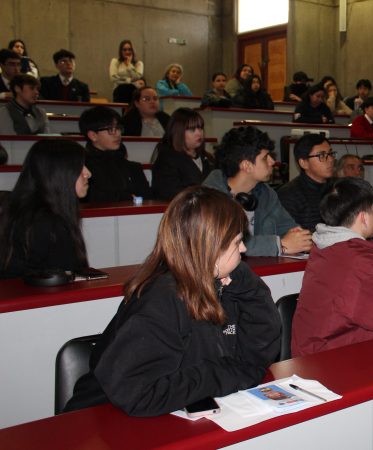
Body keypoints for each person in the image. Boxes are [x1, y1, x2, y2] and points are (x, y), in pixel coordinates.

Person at [63, 186, 281, 416]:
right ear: (210, 248)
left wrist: (246, 283)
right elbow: (139, 393)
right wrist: (219, 374)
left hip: (165, 414)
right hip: (102, 419)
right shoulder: (161, 298)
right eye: (237, 242)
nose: (244, 248)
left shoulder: (226, 284)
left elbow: (258, 356)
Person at [291, 177, 373, 356]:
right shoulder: (356, 263)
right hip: (332, 364)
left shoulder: (326, 249)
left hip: (317, 354)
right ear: (364, 218)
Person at [204, 126, 312, 256]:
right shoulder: (209, 196)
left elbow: (291, 230)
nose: (272, 162)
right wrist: (279, 245)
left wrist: (301, 240)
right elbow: (221, 243)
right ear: (246, 165)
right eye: (265, 157)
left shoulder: (266, 193)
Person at [0, 139, 91, 278]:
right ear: (59, 172)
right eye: (79, 167)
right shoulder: (48, 222)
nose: (87, 173)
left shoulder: (20, 210)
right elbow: (63, 278)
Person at [79, 106, 152, 202]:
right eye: (110, 129)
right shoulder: (83, 168)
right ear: (93, 135)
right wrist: (127, 197)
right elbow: (92, 199)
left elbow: (147, 199)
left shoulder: (133, 168)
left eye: (118, 128)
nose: (117, 133)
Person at [151, 108, 213, 200]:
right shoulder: (166, 158)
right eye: (192, 129)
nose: (199, 133)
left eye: (200, 128)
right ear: (178, 131)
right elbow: (169, 193)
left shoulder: (207, 158)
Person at [277, 133, 335, 231]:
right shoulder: (289, 195)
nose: (330, 160)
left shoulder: (338, 187)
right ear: (303, 163)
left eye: (330, 153)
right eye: (322, 155)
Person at [335, 153, 373, 240]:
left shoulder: (366, 193)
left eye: (359, 168)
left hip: (370, 239)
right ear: (340, 171)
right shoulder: (334, 194)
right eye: (351, 167)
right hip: (346, 240)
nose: (357, 172)